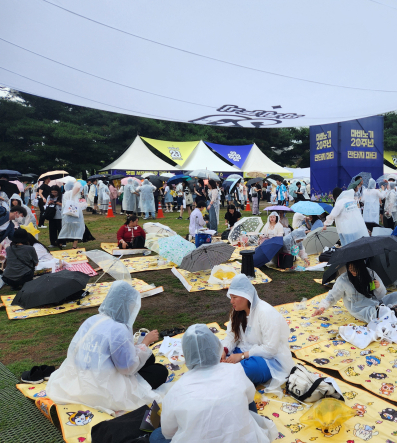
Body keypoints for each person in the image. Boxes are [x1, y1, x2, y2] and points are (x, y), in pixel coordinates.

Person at [47, 281, 167, 415]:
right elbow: (127, 368)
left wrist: (136, 347)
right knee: (160, 371)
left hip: (79, 378)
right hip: (104, 389)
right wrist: (145, 342)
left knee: (149, 358)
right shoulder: (119, 329)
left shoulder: (92, 320)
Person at [150, 324, 276, 443]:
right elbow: (249, 399)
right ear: (216, 346)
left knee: (156, 436)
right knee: (247, 401)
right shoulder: (235, 370)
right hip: (240, 437)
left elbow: (168, 432)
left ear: (186, 354)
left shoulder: (176, 390)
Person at [220, 275, 295, 388]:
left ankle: (227, 371)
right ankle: (230, 370)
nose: (231, 301)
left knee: (252, 370)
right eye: (231, 297)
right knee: (215, 352)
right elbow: (231, 336)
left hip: (267, 358)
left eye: (234, 297)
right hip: (243, 350)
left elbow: (271, 349)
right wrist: (224, 350)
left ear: (246, 296)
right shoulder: (236, 312)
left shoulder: (265, 312)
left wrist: (241, 356)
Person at [311, 259, 397, 323]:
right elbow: (332, 296)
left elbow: (380, 295)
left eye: (355, 269)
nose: (353, 272)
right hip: (359, 308)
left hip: (374, 301)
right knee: (381, 313)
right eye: (350, 269)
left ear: (361, 267)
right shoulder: (343, 280)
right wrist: (322, 308)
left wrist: (378, 287)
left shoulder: (370, 273)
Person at [58, 181, 89, 250]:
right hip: (75, 215)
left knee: (66, 229)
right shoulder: (71, 193)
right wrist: (76, 183)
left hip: (67, 214)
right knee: (79, 229)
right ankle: (74, 246)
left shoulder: (65, 194)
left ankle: (59, 242)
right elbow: (78, 187)